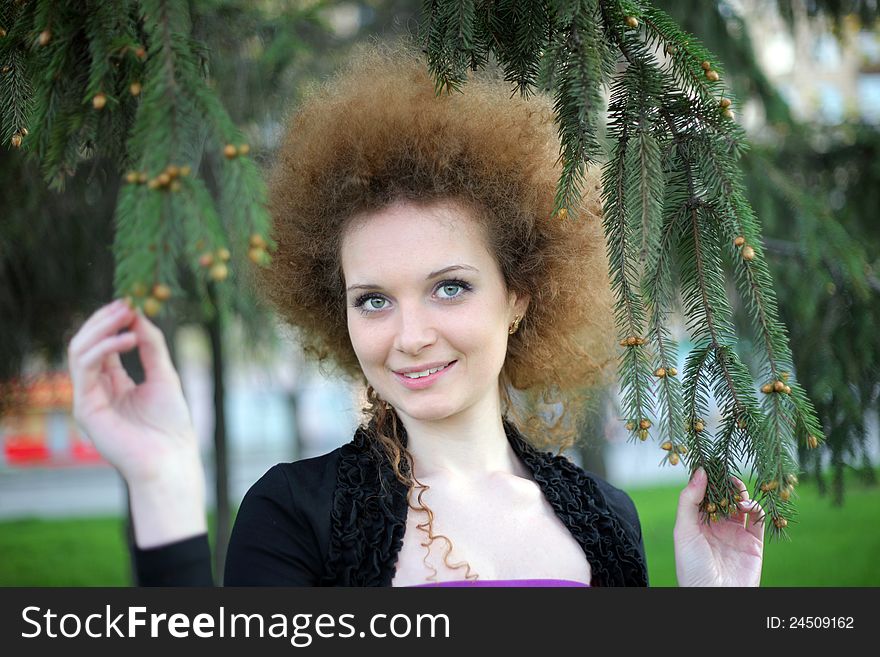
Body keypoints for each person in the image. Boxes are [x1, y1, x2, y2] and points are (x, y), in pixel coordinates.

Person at [67, 40, 765, 587]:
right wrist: (163, 481)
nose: (409, 336)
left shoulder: (607, 520)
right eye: (373, 299)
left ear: (519, 294)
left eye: (449, 287)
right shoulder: (296, 515)